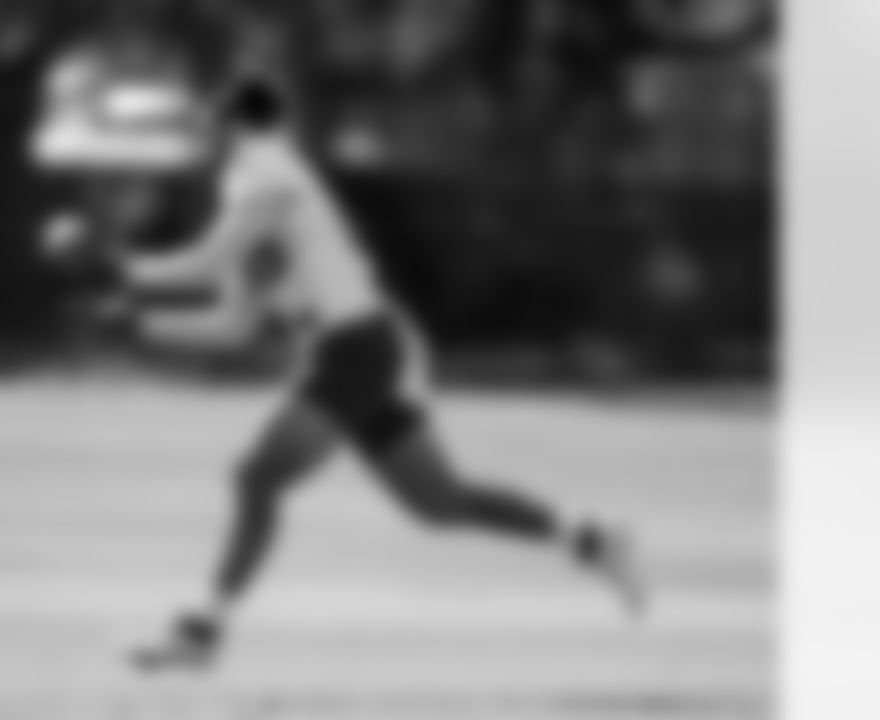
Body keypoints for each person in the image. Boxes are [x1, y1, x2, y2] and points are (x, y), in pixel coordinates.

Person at [75, 74, 646, 671]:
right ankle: (592, 540)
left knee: (257, 478)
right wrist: (138, 323)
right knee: (439, 503)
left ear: (237, 127)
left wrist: (121, 269)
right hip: (357, 353)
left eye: (213, 124)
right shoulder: (249, 201)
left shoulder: (265, 171)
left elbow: (206, 260)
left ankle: (202, 634)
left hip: (355, 350)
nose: (205, 137)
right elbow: (233, 326)